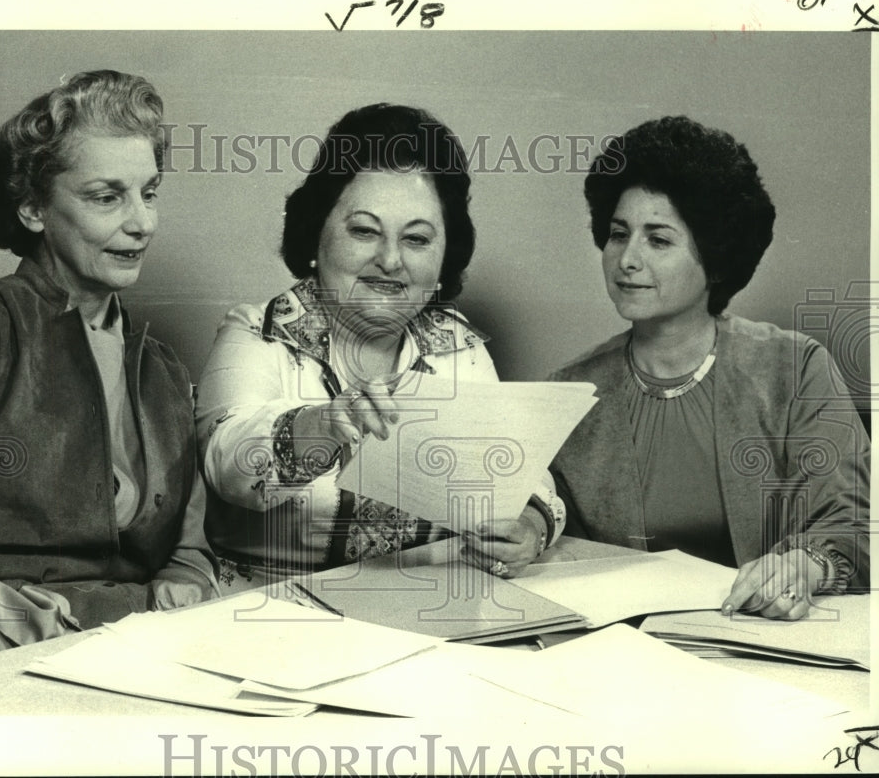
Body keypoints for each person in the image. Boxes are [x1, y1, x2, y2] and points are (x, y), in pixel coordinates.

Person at [0, 70, 219, 675]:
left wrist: (183, 591)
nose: (142, 222)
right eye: (106, 196)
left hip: (139, 663)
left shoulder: (163, 368)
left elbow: (190, 550)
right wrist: (63, 641)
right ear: (34, 208)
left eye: (150, 192)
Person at [196, 103, 565, 590]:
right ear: (316, 231)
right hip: (270, 613)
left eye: (416, 239)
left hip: (422, 605)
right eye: (365, 231)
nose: (390, 260)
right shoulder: (259, 332)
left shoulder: (458, 347)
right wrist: (323, 424)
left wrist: (531, 526)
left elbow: (521, 471)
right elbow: (228, 465)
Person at [548, 115, 869, 620]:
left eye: (658, 239)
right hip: (624, 656)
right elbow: (552, 550)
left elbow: (855, 525)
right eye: (617, 234)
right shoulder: (568, 392)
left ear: (716, 259)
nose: (626, 259)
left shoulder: (796, 368)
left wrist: (806, 567)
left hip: (775, 643)